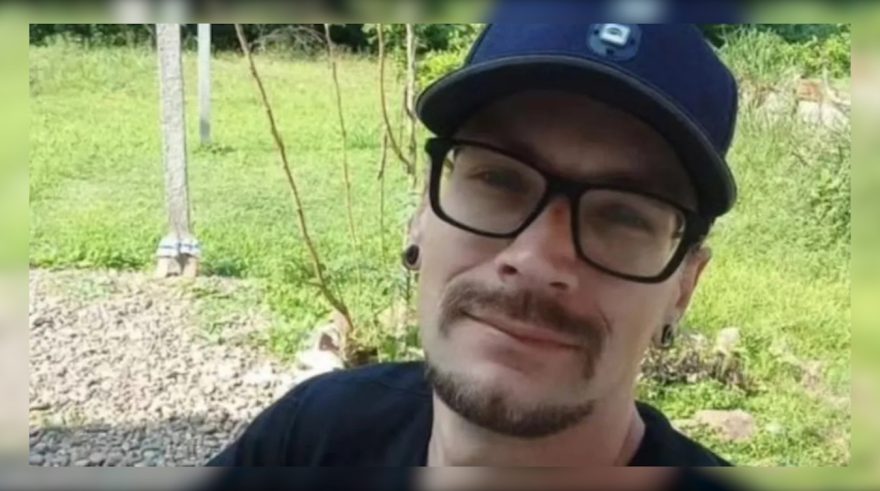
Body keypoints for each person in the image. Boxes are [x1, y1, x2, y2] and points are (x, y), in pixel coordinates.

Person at [209, 20, 741, 478]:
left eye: (623, 215)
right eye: (499, 180)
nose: (536, 261)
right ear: (421, 215)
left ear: (683, 288)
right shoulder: (311, 440)